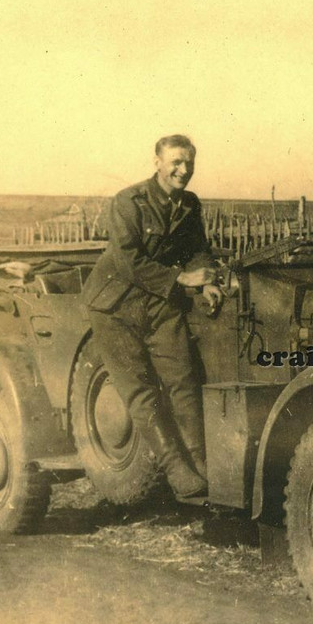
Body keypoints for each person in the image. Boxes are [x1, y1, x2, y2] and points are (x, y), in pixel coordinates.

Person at [81, 134, 222, 502]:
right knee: (140, 390)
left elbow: (197, 250)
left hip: (160, 301)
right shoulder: (129, 201)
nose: (183, 169)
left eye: (189, 162)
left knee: (183, 379)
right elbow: (128, 260)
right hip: (115, 305)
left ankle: (201, 464)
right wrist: (180, 279)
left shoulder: (189, 204)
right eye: (176, 161)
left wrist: (205, 279)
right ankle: (177, 470)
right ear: (157, 162)